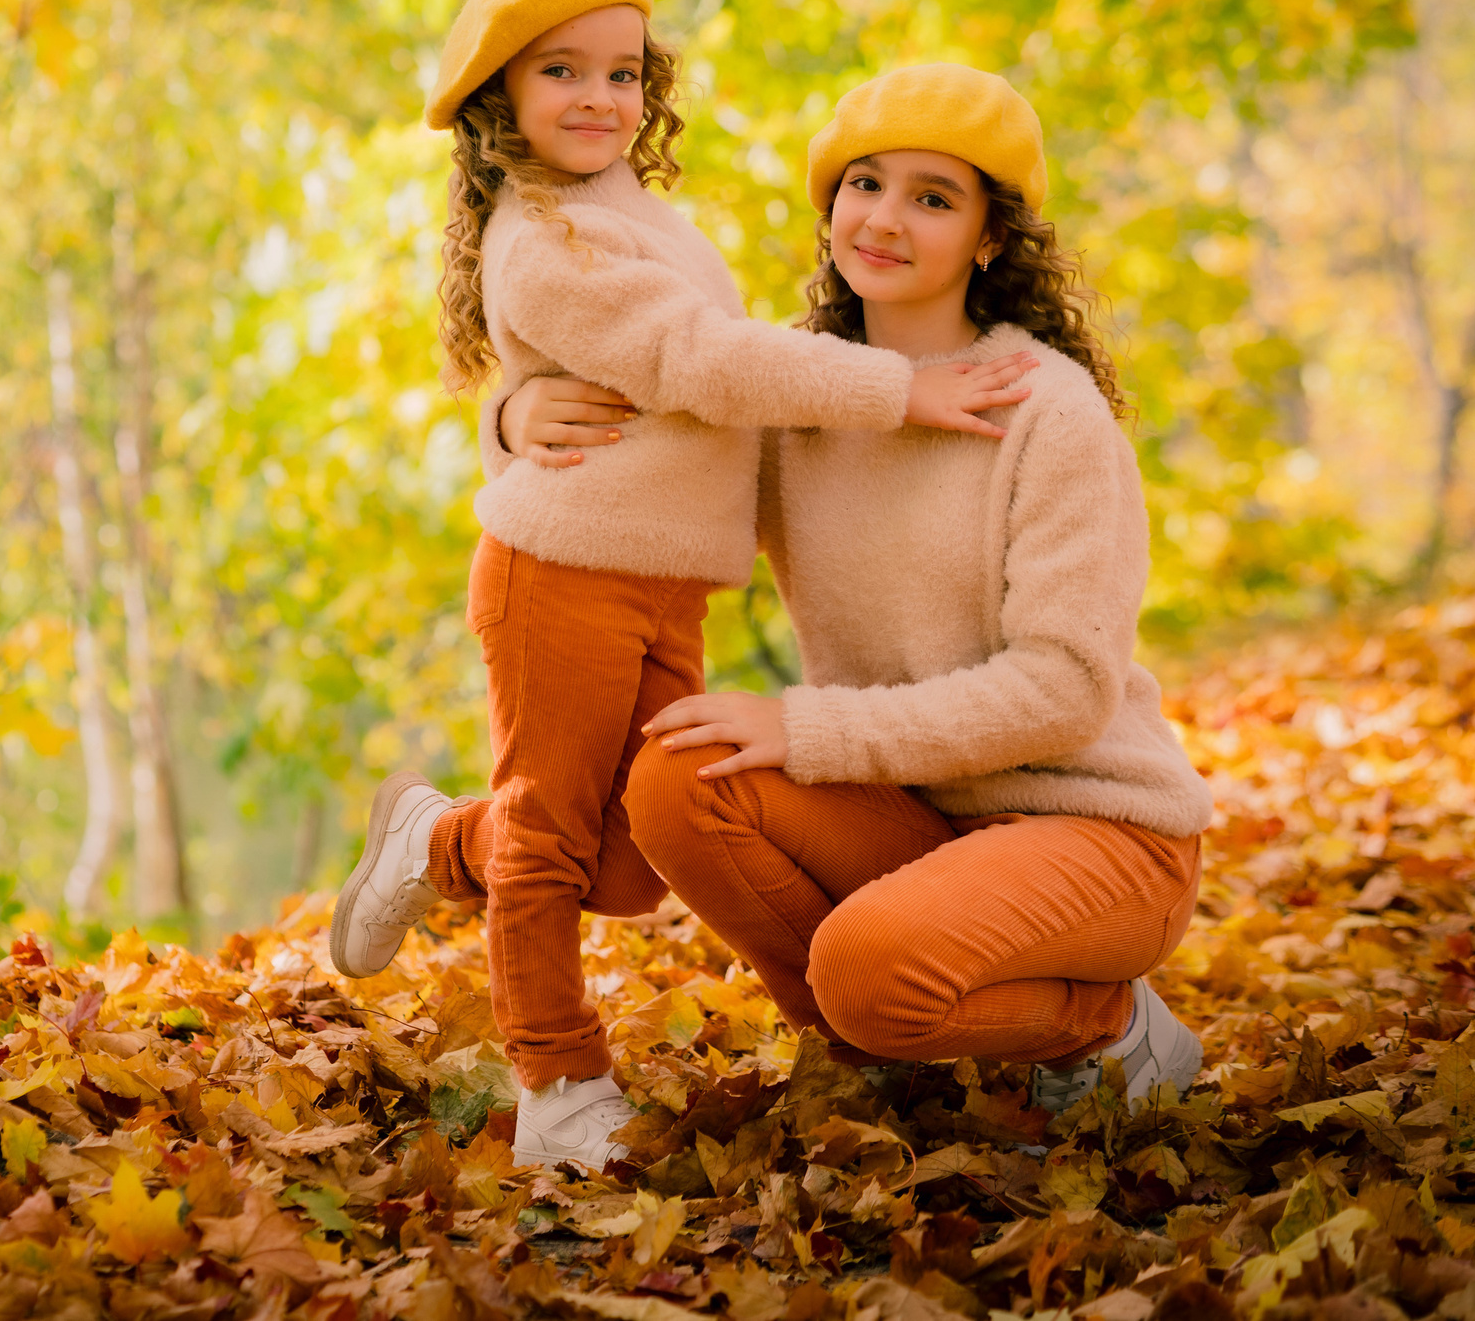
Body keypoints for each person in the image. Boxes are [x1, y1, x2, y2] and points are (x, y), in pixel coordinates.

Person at [326, 0, 1037, 1171]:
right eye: (562, 72)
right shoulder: (543, 234)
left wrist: (509, 411)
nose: (599, 97)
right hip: (563, 574)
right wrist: (900, 390)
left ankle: (437, 845)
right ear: (502, 95)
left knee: (642, 850)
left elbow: (697, 396)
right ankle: (557, 1081)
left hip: (668, 583)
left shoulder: (636, 213)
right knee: (550, 839)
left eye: (621, 71)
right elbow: (698, 364)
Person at [500, 63, 1214, 1117]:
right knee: (674, 778)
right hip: (914, 823)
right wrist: (514, 418)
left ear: (989, 240)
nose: (883, 218)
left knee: (869, 971)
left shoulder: (1049, 415)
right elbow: (643, 459)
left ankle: (1112, 1031)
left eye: (932, 197)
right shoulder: (796, 394)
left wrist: (805, 728)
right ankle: (889, 1065)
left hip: (1099, 831)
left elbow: (1064, 691)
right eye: (863, 183)